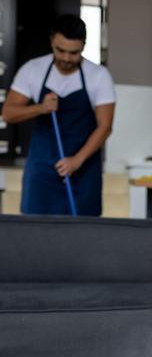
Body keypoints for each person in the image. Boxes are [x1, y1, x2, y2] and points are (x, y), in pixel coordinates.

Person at [2, 14, 116, 216]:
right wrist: (40, 108)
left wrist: (77, 160)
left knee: (81, 235)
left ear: (83, 46)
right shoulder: (32, 70)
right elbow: (8, 114)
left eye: (74, 53)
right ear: (51, 41)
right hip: (42, 170)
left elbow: (105, 126)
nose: (66, 58)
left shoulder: (98, 76)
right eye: (60, 50)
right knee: (38, 234)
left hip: (83, 170)